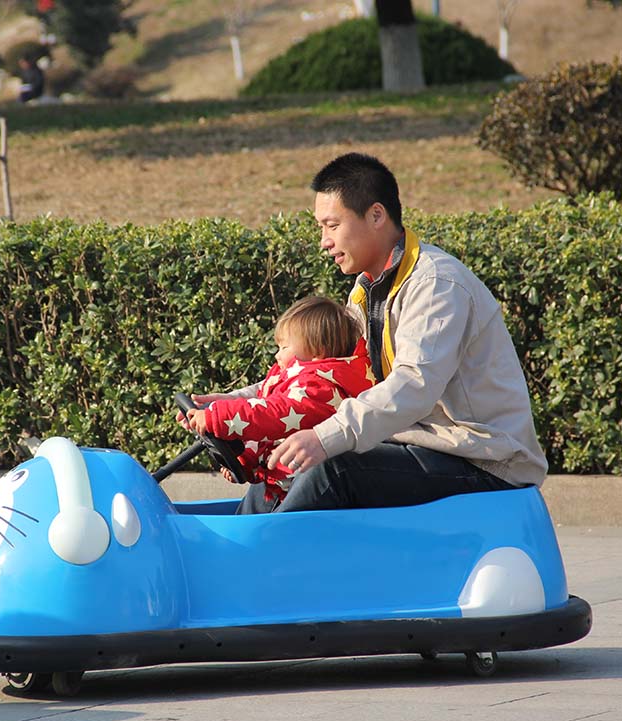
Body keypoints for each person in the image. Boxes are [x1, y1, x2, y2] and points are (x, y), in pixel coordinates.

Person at [193, 152, 548, 513]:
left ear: (376, 215)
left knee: (332, 470)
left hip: (483, 461)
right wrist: (234, 403)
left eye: (332, 225)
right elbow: (320, 373)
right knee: (281, 470)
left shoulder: (436, 285)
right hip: (421, 446)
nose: (324, 241)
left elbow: (414, 386)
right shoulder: (366, 291)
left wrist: (323, 438)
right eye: (321, 228)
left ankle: (267, 549)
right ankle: (240, 546)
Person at [185, 296, 375, 513]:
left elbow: (272, 415)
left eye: (284, 347)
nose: (277, 355)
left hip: (297, 487)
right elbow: (270, 437)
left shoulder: (319, 388)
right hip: (279, 483)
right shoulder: (293, 379)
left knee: (255, 524)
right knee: (249, 509)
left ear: (317, 351)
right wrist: (245, 461)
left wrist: (217, 417)